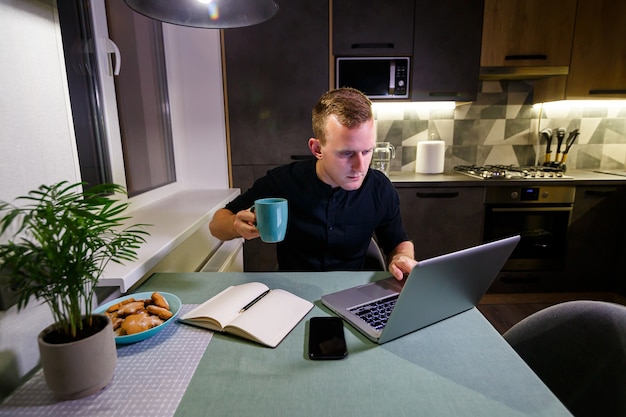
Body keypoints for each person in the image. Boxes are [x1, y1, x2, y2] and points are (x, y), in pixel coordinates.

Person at [209, 87, 417, 280]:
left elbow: (398, 242)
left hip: (352, 291)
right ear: (317, 148)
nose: (361, 166)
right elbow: (217, 224)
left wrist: (402, 257)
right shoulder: (283, 181)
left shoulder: (379, 188)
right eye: (346, 153)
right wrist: (236, 226)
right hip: (293, 292)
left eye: (367, 151)